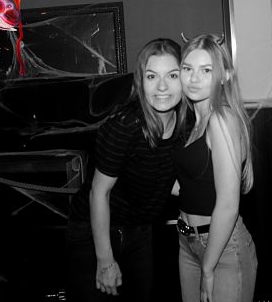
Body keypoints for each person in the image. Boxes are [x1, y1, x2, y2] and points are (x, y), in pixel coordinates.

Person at [65, 38, 187, 302]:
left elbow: (169, 180)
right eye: (152, 76)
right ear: (141, 82)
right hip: (95, 231)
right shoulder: (126, 125)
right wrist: (105, 261)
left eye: (172, 75)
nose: (162, 86)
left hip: (140, 229)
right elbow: (99, 193)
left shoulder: (184, 124)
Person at [173, 33, 257, 302]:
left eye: (206, 70)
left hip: (222, 249)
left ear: (225, 76)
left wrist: (208, 269)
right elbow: (189, 185)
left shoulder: (221, 118)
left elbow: (228, 204)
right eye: (187, 68)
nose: (194, 78)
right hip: (188, 242)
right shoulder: (192, 121)